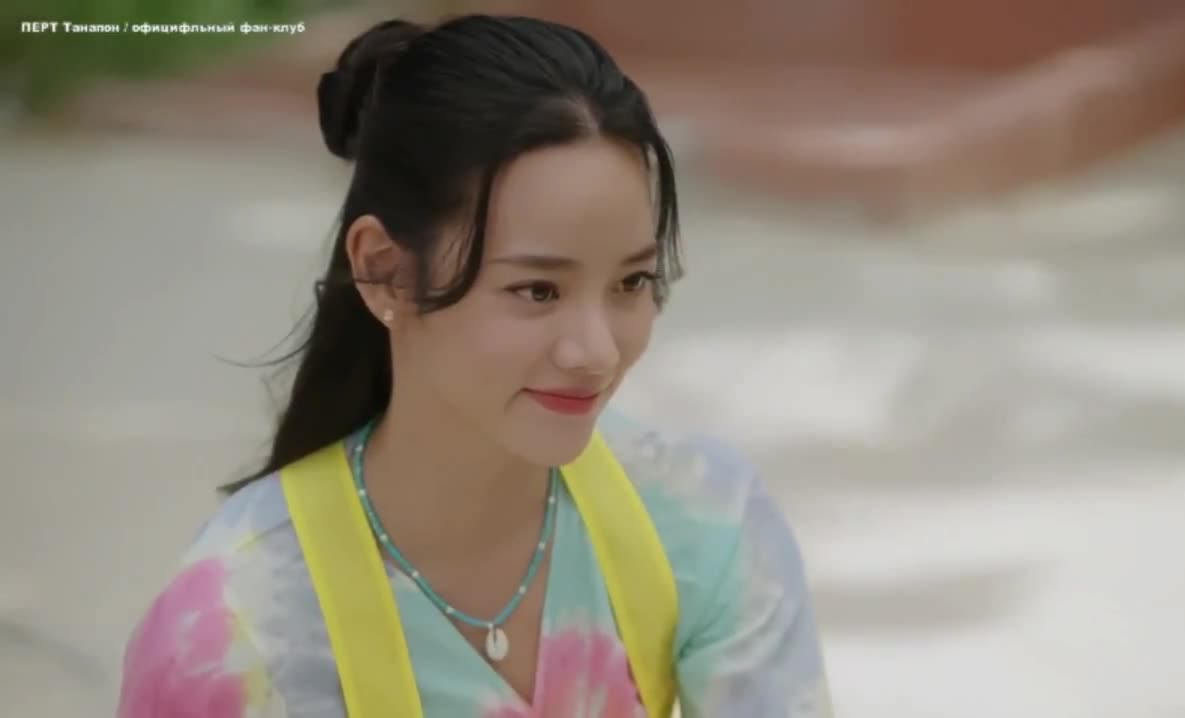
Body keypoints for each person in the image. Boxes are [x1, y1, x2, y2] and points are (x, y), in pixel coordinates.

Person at [115, 14, 832, 718]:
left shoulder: (704, 525)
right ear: (385, 271)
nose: (597, 351)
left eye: (631, 282)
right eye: (537, 290)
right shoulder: (238, 629)